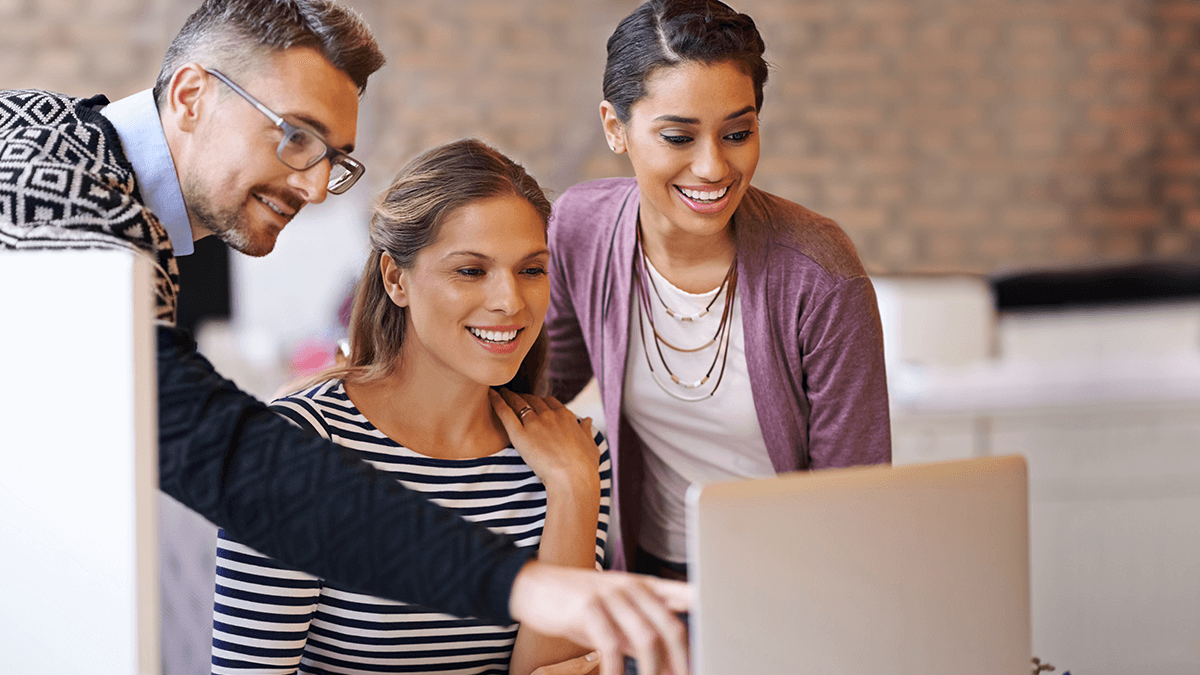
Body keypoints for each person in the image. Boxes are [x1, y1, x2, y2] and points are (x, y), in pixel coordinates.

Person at [0, 2, 688, 673]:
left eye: (333, 156)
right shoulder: (58, 195)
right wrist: (522, 582)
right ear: (189, 95)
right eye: (295, 134)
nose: (318, 185)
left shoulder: (98, 189)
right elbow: (207, 444)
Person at [212, 139, 612, 675]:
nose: (510, 301)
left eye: (531, 270)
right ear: (396, 279)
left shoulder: (577, 456)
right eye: (471, 271)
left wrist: (573, 491)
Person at [546, 0, 892, 579]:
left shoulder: (819, 275)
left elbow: (854, 500)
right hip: (646, 578)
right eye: (678, 137)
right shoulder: (581, 229)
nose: (712, 167)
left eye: (737, 133)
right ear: (615, 128)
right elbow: (534, 389)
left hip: (787, 584)